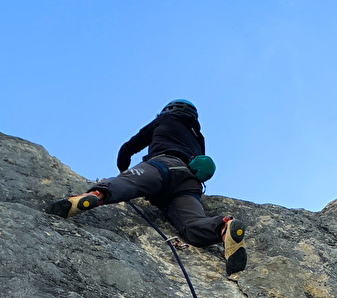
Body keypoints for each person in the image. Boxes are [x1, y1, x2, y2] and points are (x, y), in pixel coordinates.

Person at [47, 100, 246, 274]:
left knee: (127, 183)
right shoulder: (198, 137)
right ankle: (222, 227)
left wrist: (122, 169)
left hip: (161, 166)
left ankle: (96, 195)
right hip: (188, 183)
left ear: (168, 110)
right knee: (192, 224)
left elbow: (128, 148)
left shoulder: (165, 120)